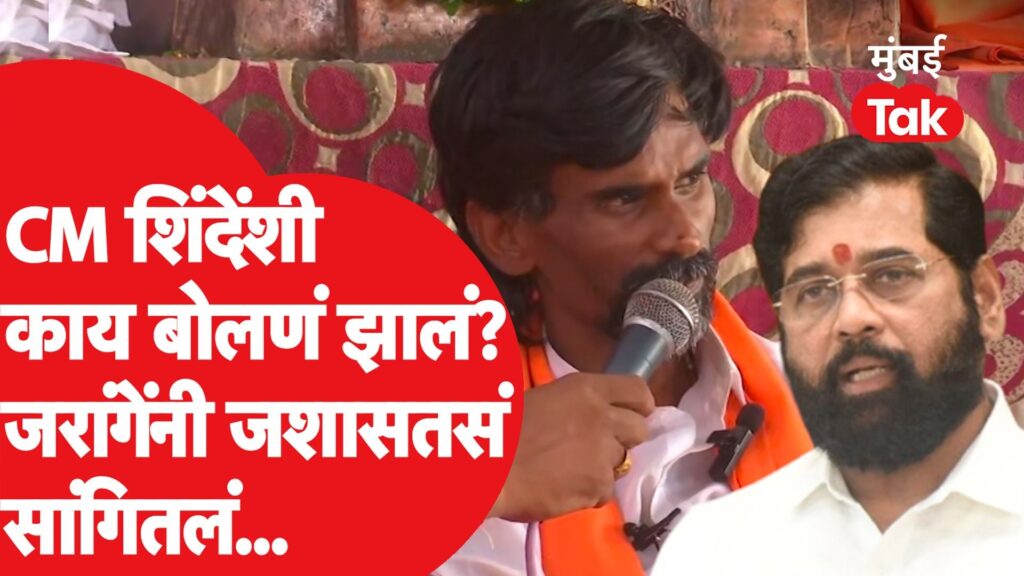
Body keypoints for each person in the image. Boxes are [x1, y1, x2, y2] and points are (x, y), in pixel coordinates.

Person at [427, 1, 812, 574]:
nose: (685, 235)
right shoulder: (438, 466)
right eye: (625, 199)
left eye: (691, 181)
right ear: (507, 234)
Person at [652, 136, 1024, 576]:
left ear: (984, 298)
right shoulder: (712, 550)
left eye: (892, 275)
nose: (851, 318)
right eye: (814, 292)